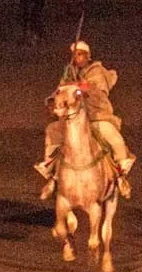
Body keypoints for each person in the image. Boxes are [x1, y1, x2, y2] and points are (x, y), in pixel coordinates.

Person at [34, 41, 136, 200]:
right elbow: (59, 91)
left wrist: (80, 87)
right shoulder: (68, 72)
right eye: (74, 55)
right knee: (52, 130)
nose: (77, 58)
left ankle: (121, 175)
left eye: (80, 54)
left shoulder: (97, 71)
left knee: (113, 135)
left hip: (95, 116)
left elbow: (98, 90)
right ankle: (50, 174)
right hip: (73, 118)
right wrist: (54, 100)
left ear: (88, 56)